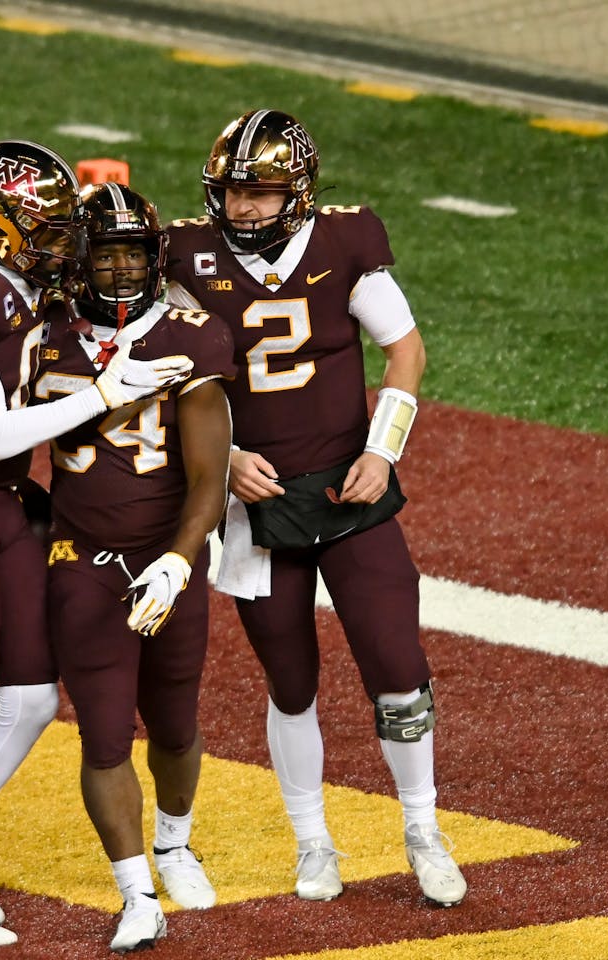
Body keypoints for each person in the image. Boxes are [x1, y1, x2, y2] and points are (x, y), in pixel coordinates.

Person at [0, 140, 194, 946]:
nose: (63, 243)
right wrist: (102, 394)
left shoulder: (21, 279)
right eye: (46, 226)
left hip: (7, 505)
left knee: (29, 699)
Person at [164, 108, 467, 907]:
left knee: (398, 669)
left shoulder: (345, 241)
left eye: (262, 194)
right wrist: (220, 461)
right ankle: (313, 841)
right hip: (255, 504)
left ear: (298, 191)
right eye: (233, 194)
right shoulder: (186, 255)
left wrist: (383, 449)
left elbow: (405, 349)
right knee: (290, 680)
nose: (245, 209)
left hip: (347, 485)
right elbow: (160, 373)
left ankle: (423, 831)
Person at [37, 182, 232, 951]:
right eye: (105, 252)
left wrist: (180, 563)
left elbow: (209, 474)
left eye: (133, 252)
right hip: (80, 556)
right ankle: (136, 894)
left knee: (177, 723)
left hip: (167, 555)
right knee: (104, 733)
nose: (120, 268)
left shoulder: (192, 333)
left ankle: (176, 842)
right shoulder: (39, 329)